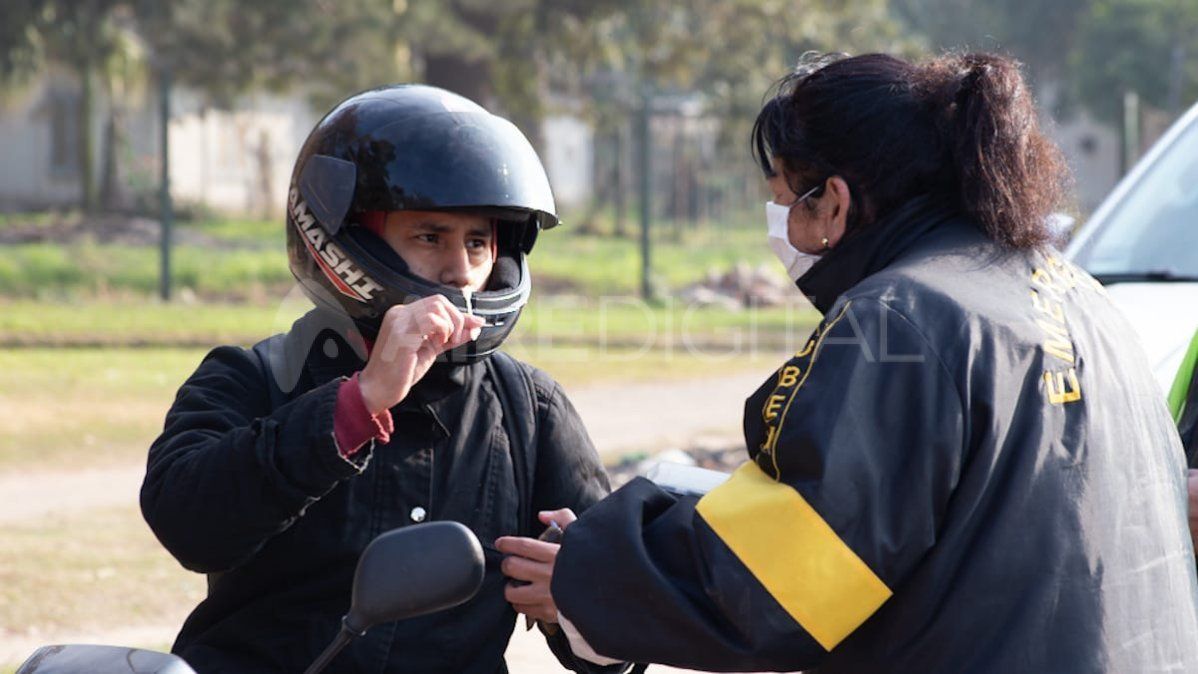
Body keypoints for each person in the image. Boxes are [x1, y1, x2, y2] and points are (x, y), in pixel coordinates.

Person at [501, 53, 1198, 672]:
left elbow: (787, 582)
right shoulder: (1075, 293)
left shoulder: (900, 317)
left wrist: (592, 575)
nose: (781, 230)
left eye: (784, 203)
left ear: (833, 201)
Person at [140, 84, 633, 673]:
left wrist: (580, 599)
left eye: (477, 243)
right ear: (346, 240)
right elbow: (188, 527)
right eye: (430, 237)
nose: (460, 270)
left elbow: (615, 653)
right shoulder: (254, 378)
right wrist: (357, 403)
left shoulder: (531, 409)